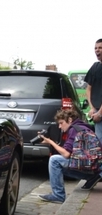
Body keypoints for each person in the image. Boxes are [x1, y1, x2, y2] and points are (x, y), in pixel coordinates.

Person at [37, 109, 98, 203]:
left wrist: (51, 142)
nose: (59, 126)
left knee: (54, 160)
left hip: (88, 163)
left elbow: (66, 154)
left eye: (61, 123)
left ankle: (58, 195)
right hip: (93, 164)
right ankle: (90, 177)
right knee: (59, 165)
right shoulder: (82, 127)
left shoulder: (73, 129)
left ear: (69, 120)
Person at [81, 39, 102, 190]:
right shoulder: (95, 67)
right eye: (95, 48)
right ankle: (97, 174)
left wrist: (100, 112)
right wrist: (92, 108)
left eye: (100, 47)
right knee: (98, 145)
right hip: (98, 115)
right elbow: (88, 89)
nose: (97, 50)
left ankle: (97, 175)